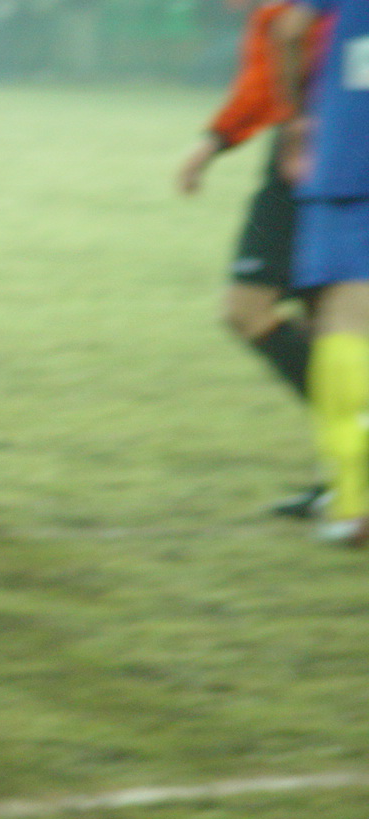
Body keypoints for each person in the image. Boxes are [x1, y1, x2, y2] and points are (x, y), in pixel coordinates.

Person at [176, 0, 327, 517]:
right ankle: (343, 472)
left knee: (249, 309)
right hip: (317, 151)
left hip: (310, 155)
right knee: (328, 323)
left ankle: (354, 444)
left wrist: (219, 140)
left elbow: (283, 52)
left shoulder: (295, 12)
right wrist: (215, 140)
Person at [276, 0, 369, 545]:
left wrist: (299, 116)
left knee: (343, 326)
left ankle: (354, 505)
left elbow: (290, 29)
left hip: (349, 159)